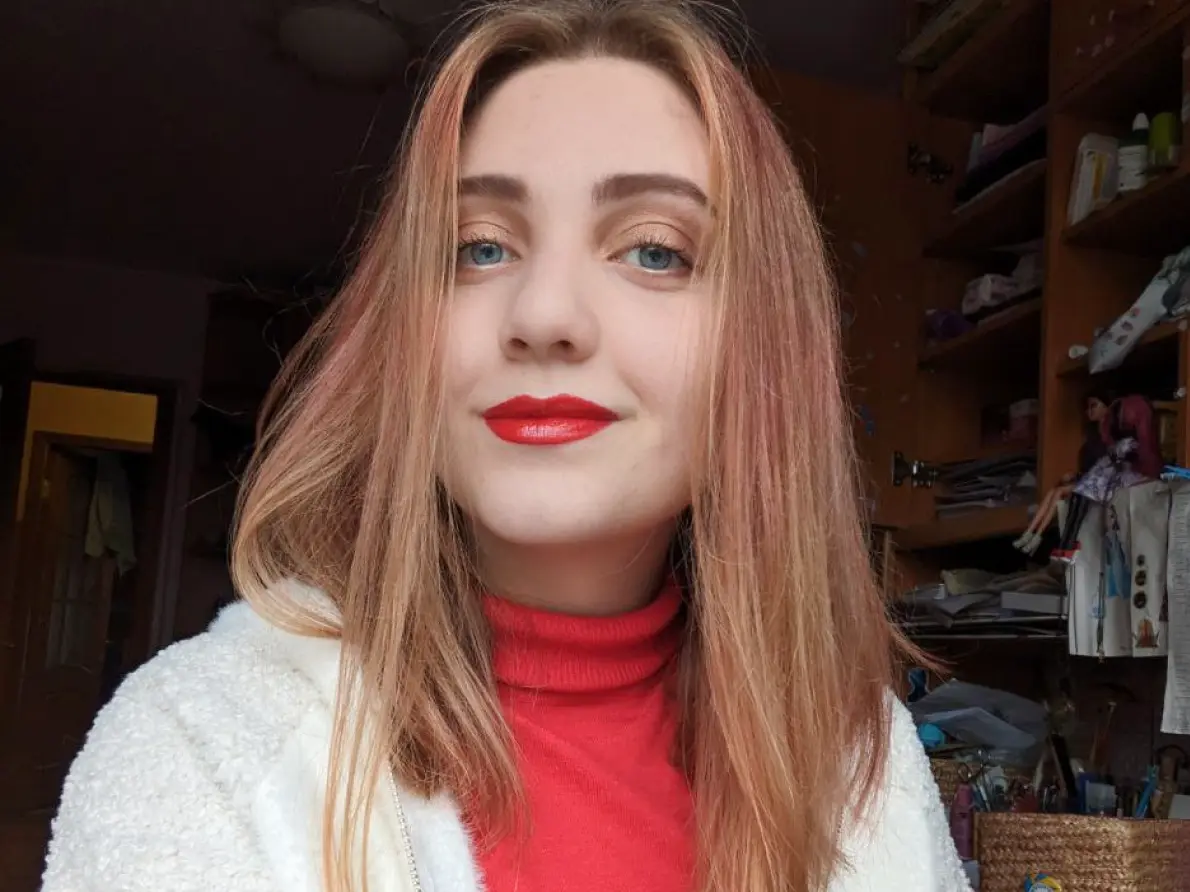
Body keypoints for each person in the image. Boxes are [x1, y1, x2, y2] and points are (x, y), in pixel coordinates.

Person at [42, 2, 969, 891]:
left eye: (654, 250)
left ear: (762, 346)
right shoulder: (204, 750)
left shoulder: (868, 771)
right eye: (480, 247)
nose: (543, 313)